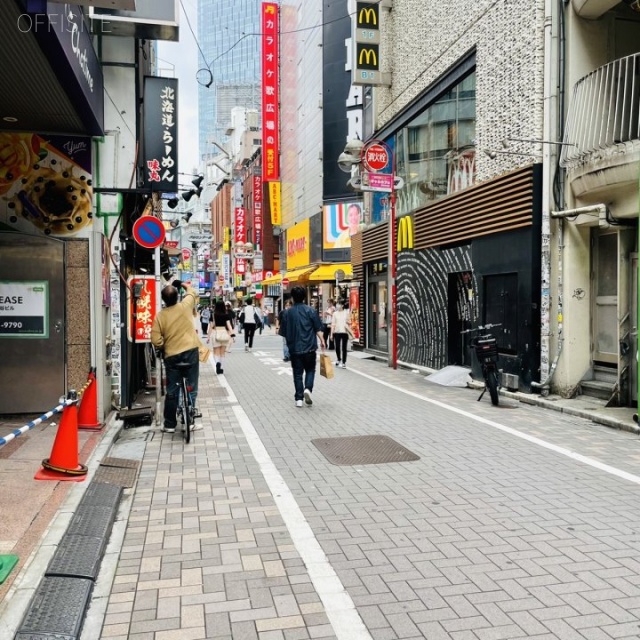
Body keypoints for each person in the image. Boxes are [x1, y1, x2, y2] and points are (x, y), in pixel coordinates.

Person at [151, 280, 202, 433]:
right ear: (177, 297)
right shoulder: (185, 306)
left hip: (171, 355)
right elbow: (193, 292)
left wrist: (163, 345)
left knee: (172, 390)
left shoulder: (160, 316)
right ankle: (191, 420)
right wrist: (182, 284)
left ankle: (169, 424)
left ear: (163, 300)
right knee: (191, 387)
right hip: (190, 352)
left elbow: (155, 339)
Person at [279, 286, 326, 408]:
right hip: (309, 347)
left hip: (294, 348)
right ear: (304, 297)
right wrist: (322, 340)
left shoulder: (287, 313)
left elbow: (283, 332)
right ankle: (308, 389)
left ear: (293, 298)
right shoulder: (310, 311)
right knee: (310, 370)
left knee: (297, 373)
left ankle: (299, 399)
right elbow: (317, 328)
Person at [208, 300, 234, 374]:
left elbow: (211, 326)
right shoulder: (226, 315)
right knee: (222, 352)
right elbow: (229, 325)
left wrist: (208, 336)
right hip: (224, 333)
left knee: (216, 352)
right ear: (223, 306)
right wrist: (232, 334)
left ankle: (217, 363)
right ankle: (221, 368)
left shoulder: (213, 315)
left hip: (216, 333)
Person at [330, 300, 352, 369]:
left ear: (342, 305)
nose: (337, 306)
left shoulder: (346, 313)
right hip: (337, 332)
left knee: (344, 348)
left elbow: (349, 322)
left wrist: (348, 322)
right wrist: (331, 334)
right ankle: (339, 359)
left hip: (344, 332)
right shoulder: (335, 314)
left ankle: (344, 362)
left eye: (339, 304)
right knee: (337, 347)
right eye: (337, 304)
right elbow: (333, 324)